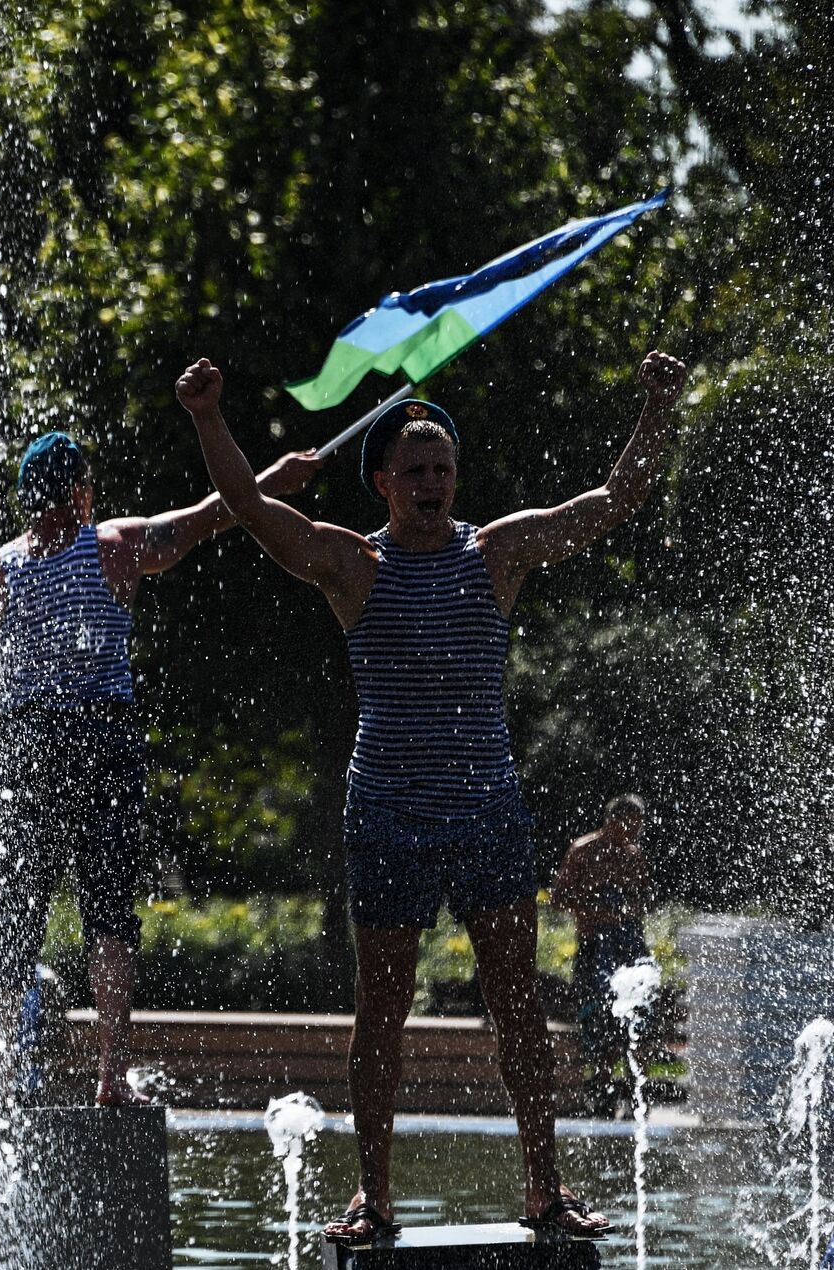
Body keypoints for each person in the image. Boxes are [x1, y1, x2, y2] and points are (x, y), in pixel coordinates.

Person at [176, 348, 688, 1245]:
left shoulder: (498, 553)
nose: (430, 483)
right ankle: (372, 1199)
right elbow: (254, 511)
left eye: (442, 469)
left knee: (518, 999)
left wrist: (659, 407)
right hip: (388, 816)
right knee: (383, 1004)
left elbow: (614, 503)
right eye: (413, 471)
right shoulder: (352, 565)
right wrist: (210, 419)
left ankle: (545, 1192)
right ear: (382, 482)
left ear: (456, 477)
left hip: (486, 810)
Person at [0, 431, 320, 1106]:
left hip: (28, 745)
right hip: (103, 739)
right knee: (109, 914)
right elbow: (214, 513)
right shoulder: (111, 546)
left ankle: (4, 1079)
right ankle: (110, 1076)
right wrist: (275, 474)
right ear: (82, 493)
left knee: (15, 915)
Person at [553, 793, 652, 1113]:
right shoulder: (584, 851)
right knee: (598, 1015)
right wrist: (598, 911)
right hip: (594, 945)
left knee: (638, 1013)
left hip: (628, 946)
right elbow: (559, 898)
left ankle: (637, 1089)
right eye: (630, 826)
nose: (635, 833)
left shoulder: (633, 855)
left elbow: (641, 902)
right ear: (613, 822)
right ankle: (602, 1087)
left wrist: (627, 913)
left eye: (638, 826)